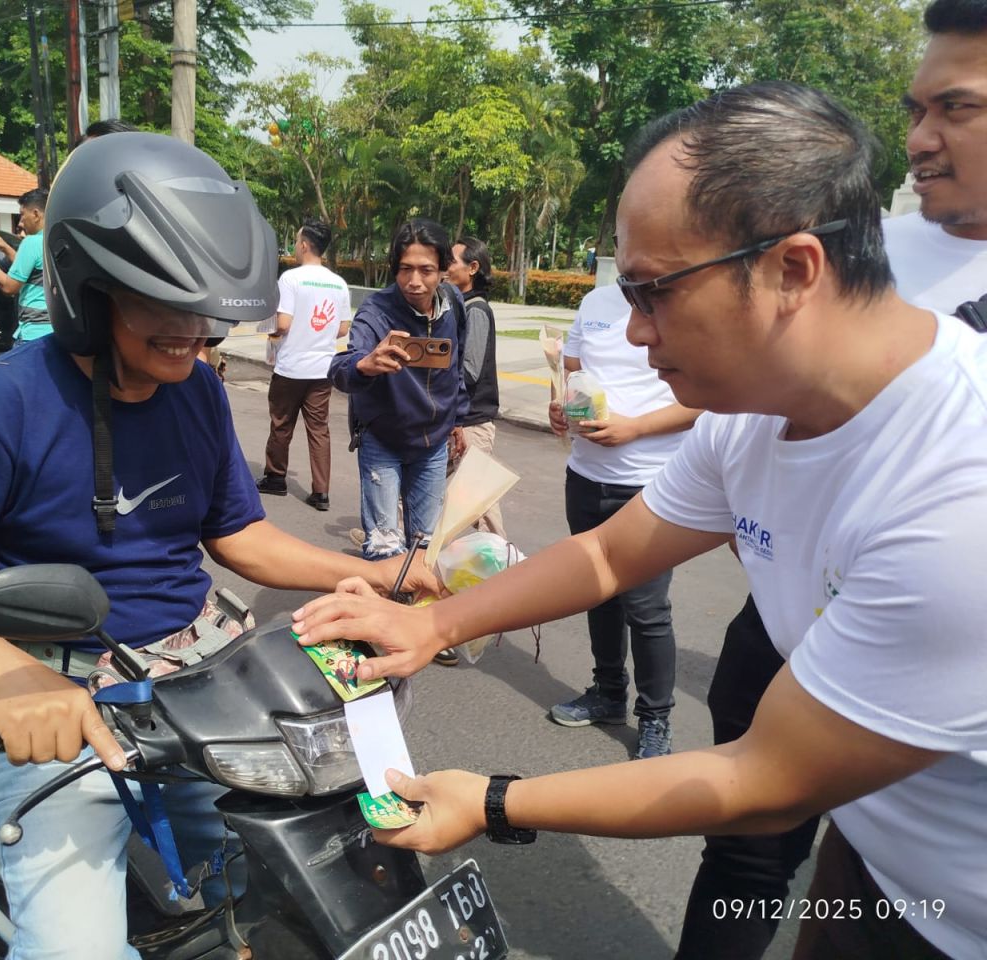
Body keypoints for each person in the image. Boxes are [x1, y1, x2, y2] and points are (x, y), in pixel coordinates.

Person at [292, 82, 987, 960]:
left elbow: (764, 780)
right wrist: (429, 621)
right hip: (882, 850)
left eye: (653, 291)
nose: (632, 327)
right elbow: (613, 551)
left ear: (793, 270)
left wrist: (495, 800)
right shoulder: (753, 412)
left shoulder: (962, 489)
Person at [0, 132, 436, 960]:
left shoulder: (196, 387)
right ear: (87, 290)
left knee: (329, 872)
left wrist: (371, 571)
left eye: (203, 314)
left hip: (204, 682)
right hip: (58, 701)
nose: (193, 333)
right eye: (162, 305)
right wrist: (6, 672)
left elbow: (237, 535)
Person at [674, 2, 987, 956]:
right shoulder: (878, 252)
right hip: (798, 627)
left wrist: (494, 801)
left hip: (940, 753)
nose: (920, 141)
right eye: (915, 109)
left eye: (957, 108)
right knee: (750, 855)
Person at [545, 282, 701, 760]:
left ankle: (655, 718)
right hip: (586, 475)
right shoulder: (595, 302)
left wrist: (634, 428)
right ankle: (608, 693)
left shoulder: (684, 302)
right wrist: (561, 410)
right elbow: (574, 372)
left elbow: (703, 399)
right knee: (599, 592)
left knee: (647, 609)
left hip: (650, 483)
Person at [329, 218, 468, 563]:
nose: (415, 282)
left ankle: (414, 615)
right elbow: (341, 367)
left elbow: (457, 365)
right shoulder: (377, 311)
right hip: (383, 441)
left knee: (425, 547)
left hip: (434, 444)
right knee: (385, 547)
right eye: (405, 269)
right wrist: (366, 364)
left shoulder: (453, 304)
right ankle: (385, 611)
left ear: (443, 271)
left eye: (426, 270)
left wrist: (458, 419)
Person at [255, 217, 352, 510]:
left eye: (297, 241)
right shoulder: (338, 283)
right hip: (323, 369)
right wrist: (318, 331)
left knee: (282, 424)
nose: (296, 246)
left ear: (305, 244)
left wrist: (270, 330)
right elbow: (343, 327)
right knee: (319, 429)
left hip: (291, 367)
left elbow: (282, 323)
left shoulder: (291, 279)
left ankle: (276, 478)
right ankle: (320, 492)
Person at [444, 236, 504, 536]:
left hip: (473, 420)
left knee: (480, 496)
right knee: (424, 480)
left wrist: (443, 394)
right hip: (458, 417)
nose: (446, 266)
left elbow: (469, 370)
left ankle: (501, 558)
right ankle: (394, 535)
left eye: (452, 261)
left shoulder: (476, 309)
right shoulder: (459, 304)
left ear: (473, 268)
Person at [0, 188, 51, 343]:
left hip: (33, 332)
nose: (20, 222)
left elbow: (10, 287)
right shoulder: (57, 239)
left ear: (35, 214)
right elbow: (32, 272)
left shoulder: (31, 242)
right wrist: (5, 247)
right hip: (56, 329)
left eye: (22, 215)